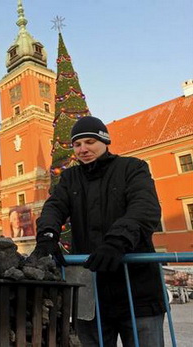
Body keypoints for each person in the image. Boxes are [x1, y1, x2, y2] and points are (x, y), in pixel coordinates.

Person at [29, 116, 165, 347]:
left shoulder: (132, 168)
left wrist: (117, 241)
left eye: (90, 142)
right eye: (77, 144)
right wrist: (47, 235)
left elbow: (145, 208)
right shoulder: (70, 178)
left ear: (105, 141)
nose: (83, 149)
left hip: (137, 291)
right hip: (91, 296)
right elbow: (54, 206)